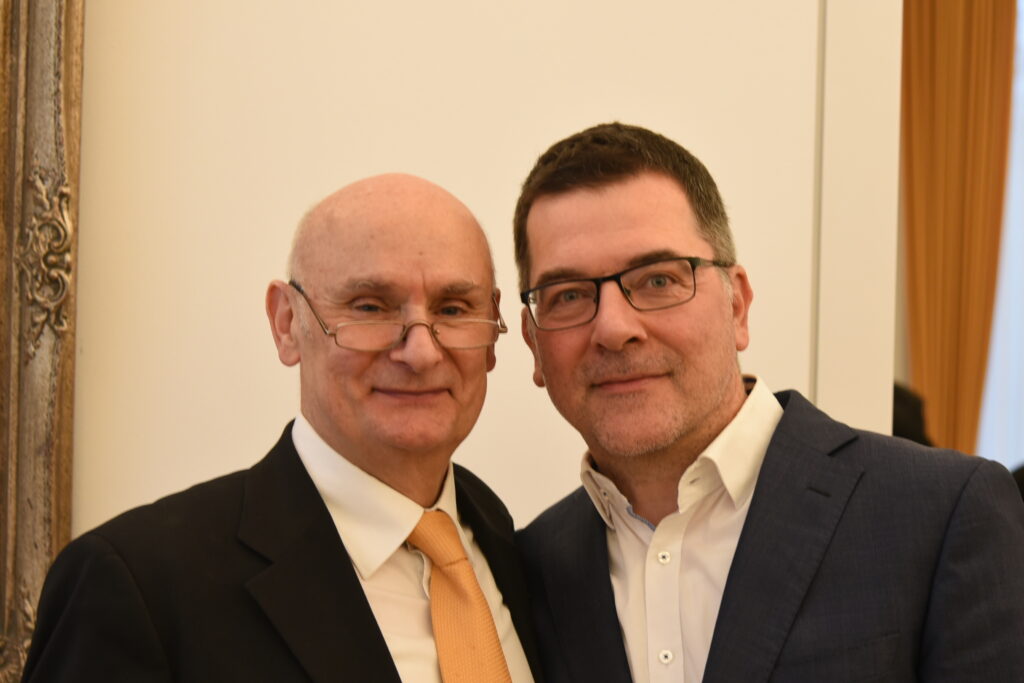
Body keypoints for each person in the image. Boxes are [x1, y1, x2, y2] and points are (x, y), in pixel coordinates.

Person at [513, 123, 1024, 683]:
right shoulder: (527, 568)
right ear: (534, 344)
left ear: (737, 306)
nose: (614, 328)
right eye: (567, 295)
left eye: (657, 280)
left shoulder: (941, 513)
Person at [23, 174, 543, 682]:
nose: (422, 352)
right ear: (287, 323)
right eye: (370, 307)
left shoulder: (508, 541)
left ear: (493, 331)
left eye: (453, 309)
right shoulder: (138, 587)